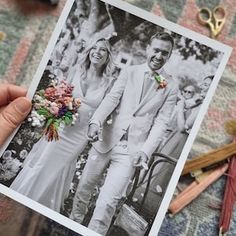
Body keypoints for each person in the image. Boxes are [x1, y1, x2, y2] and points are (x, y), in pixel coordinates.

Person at [70, 32, 178, 235]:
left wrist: (145, 151)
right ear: (148, 49)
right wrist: (96, 122)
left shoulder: (171, 85)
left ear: (169, 55)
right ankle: (72, 225)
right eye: (156, 50)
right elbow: (112, 98)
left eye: (165, 53)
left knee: (108, 202)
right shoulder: (130, 72)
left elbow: (161, 122)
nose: (159, 56)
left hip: (132, 151)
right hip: (106, 139)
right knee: (84, 188)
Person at [10, 38, 116, 212]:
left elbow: (105, 110)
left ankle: (40, 210)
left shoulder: (109, 82)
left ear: (108, 56)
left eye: (103, 49)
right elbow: (59, 95)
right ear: (89, 51)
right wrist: (56, 107)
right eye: (94, 48)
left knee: (59, 169)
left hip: (79, 136)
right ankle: (20, 204)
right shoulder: (75, 70)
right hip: (61, 128)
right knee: (43, 163)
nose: (97, 51)